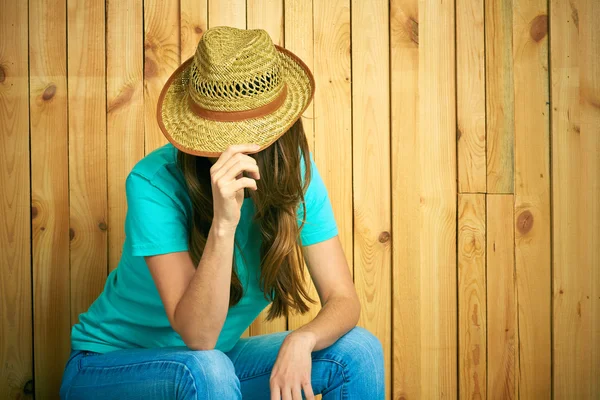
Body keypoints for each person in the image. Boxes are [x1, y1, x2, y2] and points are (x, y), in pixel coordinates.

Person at [59, 26, 384, 400]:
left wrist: (303, 338)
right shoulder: (152, 183)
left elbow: (343, 298)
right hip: (108, 367)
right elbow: (199, 337)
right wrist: (224, 223)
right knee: (207, 367)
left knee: (357, 351)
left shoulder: (295, 172)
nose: (236, 147)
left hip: (213, 365)